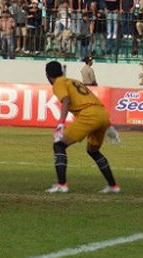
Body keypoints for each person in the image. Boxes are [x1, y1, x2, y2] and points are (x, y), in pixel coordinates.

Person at [44, 60, 120, 194]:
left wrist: (61, 122)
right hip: (101, 114)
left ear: (48, 75)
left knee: (59, 145)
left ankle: (62, 184)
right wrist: (108, 124)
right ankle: (113, 186)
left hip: (88, 115)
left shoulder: (58, 83)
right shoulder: (74, 81)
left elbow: (66, 100)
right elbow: (93, 100)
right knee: (93, 151)